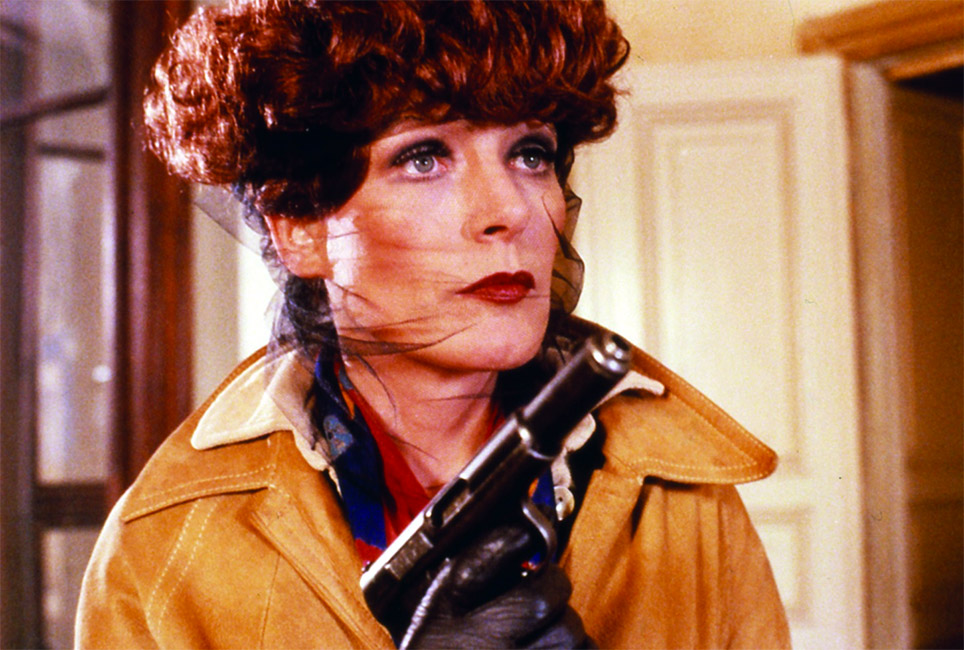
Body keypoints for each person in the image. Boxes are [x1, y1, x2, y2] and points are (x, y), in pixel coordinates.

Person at [76, 1, 791, 648]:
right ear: (299, 225)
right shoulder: (166, 550)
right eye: (424, 158)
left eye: (530, 154)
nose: (508, 210)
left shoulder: (680, 501)